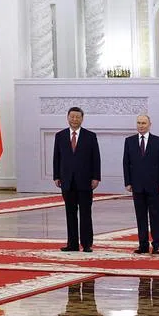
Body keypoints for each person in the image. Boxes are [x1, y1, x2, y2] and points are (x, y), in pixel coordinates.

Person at [53, 106, 101, 252]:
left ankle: (87, 244)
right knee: (70, 213)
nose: (74, 119)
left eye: (77, 117)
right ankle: (72, 244)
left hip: (85, 181)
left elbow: (96, 158)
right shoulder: (60, 136)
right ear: (68, 118)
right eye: (72, 117)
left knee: (86, 213)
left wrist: (96, 177)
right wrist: (56, 176)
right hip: (67, 181)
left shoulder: (90, 136)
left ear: (82, 118)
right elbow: (57, 158)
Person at [123, 114, 159, 255]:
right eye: (138, 123)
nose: (141, 125)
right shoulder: (129, 141)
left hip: (155, 186)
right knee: (140, 216)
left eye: (143, 123)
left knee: (155, 216)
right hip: (137, 186)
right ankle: (143, 245)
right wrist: (128, 182)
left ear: (150, 124)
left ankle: (156, 245)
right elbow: (126, 163)